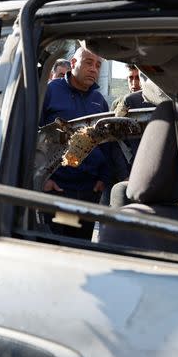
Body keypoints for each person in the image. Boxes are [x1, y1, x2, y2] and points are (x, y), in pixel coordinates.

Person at [40, 45, 110, 240]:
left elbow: (106, 144)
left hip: (89, 192)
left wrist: (102, 179)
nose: (94, 69)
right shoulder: (50, 91)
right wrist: (43, 178)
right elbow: (34, 134)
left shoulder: (99, 101)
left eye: (98, 65)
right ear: (73, 64)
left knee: (81, 246)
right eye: (89, 63)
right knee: (59, 247)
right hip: (59, 189)